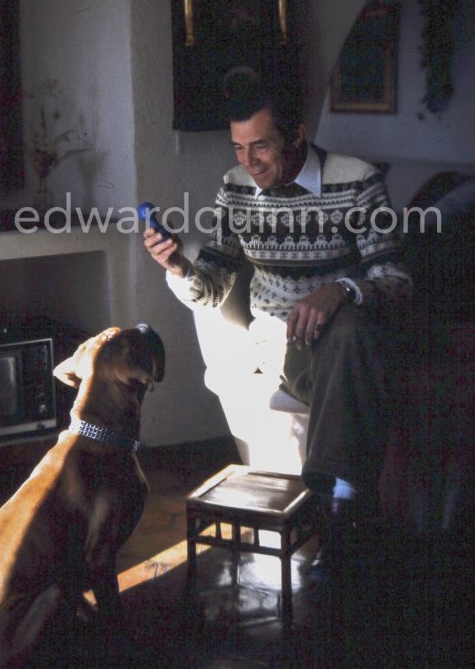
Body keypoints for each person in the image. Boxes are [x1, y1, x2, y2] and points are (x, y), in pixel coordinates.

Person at [143, 70, 412, 563]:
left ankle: (334, 509)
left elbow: (396, 281)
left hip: (351, 337)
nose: (250, 163)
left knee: (350, 329)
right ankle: (346, 512)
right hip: (282, 343)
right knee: (357, 351)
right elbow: (212, 287)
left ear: (296, 136)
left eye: (261, 147)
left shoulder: (356, 180)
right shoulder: (236, 188)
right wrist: (178, 266)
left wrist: (341, 289)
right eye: (239, 149)